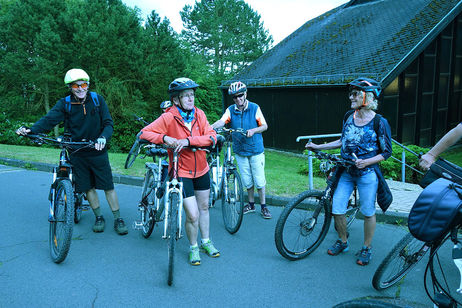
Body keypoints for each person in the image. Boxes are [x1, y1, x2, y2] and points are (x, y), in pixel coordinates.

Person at [16, 68, 128, 235]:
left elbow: (108, 123)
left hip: (97, 151)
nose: (81, 88)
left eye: (84, 84)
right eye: (76, 86)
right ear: (70, 87)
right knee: (87, 187)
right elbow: (49, 120)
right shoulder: (65, 103)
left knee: (108, 186)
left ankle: (118, 218)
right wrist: (31, 131)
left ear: (88, 85)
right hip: (76, 152)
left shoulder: (97, 100)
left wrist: (103, 137)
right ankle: (99, 217)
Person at [305, 77, 392, 266]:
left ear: (367, 97)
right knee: (337, 208)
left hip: (367, 174)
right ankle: (343, 242)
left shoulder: (379, 122)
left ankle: (366, 248)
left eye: (355, 94)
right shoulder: (348, 116)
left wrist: (367, 161)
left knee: (368, 212)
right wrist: (318, 146)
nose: (350, 97)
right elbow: (341, 141)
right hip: (346, 171)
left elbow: (386, 152)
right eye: (350, 94)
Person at [140, 77, 219, 265]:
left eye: (192, 95)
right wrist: (165, 138)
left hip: (202, 168)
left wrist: (189, 141)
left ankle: (206, 241)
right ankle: (193, 247)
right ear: (176, 100)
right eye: (186, 96)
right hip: (181, 171)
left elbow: (212, 136)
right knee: (192, 214)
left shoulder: (200, 114)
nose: (191, 99)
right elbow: (144, 133)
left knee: (204, 208)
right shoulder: (169, 117)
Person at [211, 81, 271, 219]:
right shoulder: (231, 110)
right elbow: (222, 121)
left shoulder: (255, 108)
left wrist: (253, 130)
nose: (238, 99)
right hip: (240, 150)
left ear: (245, 94)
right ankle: (250, 204)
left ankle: (263, 206)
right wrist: (210, 127)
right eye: (235, 97)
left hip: (255, 150)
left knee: (259, 180)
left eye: (240, 95)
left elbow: (264, 126)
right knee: (246, 180)